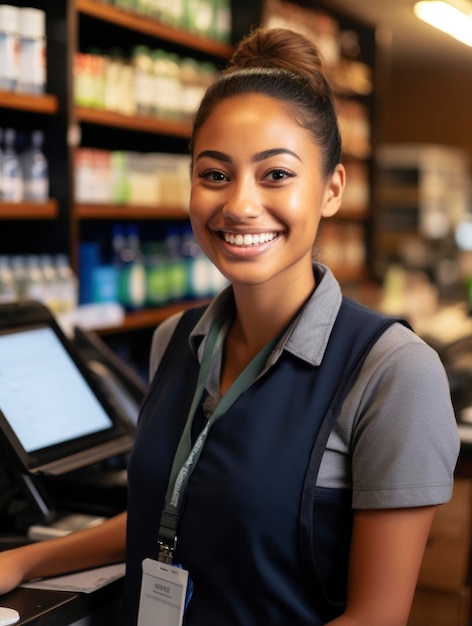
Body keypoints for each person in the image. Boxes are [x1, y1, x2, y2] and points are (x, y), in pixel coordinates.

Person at [0, 26, 460, 626]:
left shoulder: (393, 372)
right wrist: (26, 561)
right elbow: (173, 505)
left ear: (332, 189)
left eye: (276, 175)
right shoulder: (177, 339)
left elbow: (377, 616)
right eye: (215, 174)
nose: (240, 205)